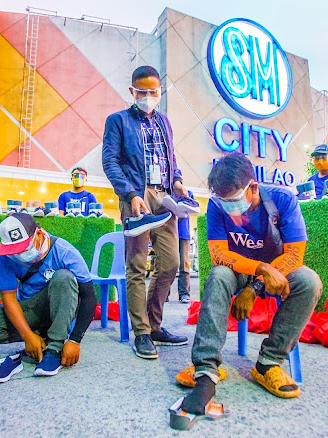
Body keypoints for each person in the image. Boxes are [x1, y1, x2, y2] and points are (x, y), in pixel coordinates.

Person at [177, 152, 322, 414]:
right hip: (242, 270)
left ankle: (269, 362)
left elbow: (294, 256)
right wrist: (259, 269)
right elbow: (219, 255)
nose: (230, 210)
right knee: (218, 274)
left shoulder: (282, 199)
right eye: (224, 202)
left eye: (233, 201)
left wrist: (254, 288)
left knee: (308, 281)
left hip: (277, 270)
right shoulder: (216, 206)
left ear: (252, 187)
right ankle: (206, 368)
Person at [102, 65, 188, 359]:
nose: (148, 96)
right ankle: (142, 332)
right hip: (136, 196)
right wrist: (130, 194)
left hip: (165, 197)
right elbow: (110, 162)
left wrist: (176, 180)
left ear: (160, 90)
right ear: (132, 92)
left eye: (153, 92)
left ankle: (155, 325)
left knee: (171, 263)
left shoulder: (164, 121)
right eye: (142, 92)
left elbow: (170, 158)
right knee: (136, 265)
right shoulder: (118, 121)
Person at [0, 213, 97, 382]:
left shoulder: (64, 252)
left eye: (25, 248)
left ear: (39, 233)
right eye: (15, 251)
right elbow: (9, 299)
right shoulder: (4, 257)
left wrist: (74, 340)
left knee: (64, 277)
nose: (20, 255)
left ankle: (54, 348)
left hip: (58, 306)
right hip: (29, 307)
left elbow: (89, 298)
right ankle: (41, 336)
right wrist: (27, 335)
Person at [177, 190, 195, 304]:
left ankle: (184, 293)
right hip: (167, 231)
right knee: (167, 265)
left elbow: (194, 206)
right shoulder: (165, 192)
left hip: (183, 232)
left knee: (184, 264)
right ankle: (164, 294)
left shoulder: (188, 193)